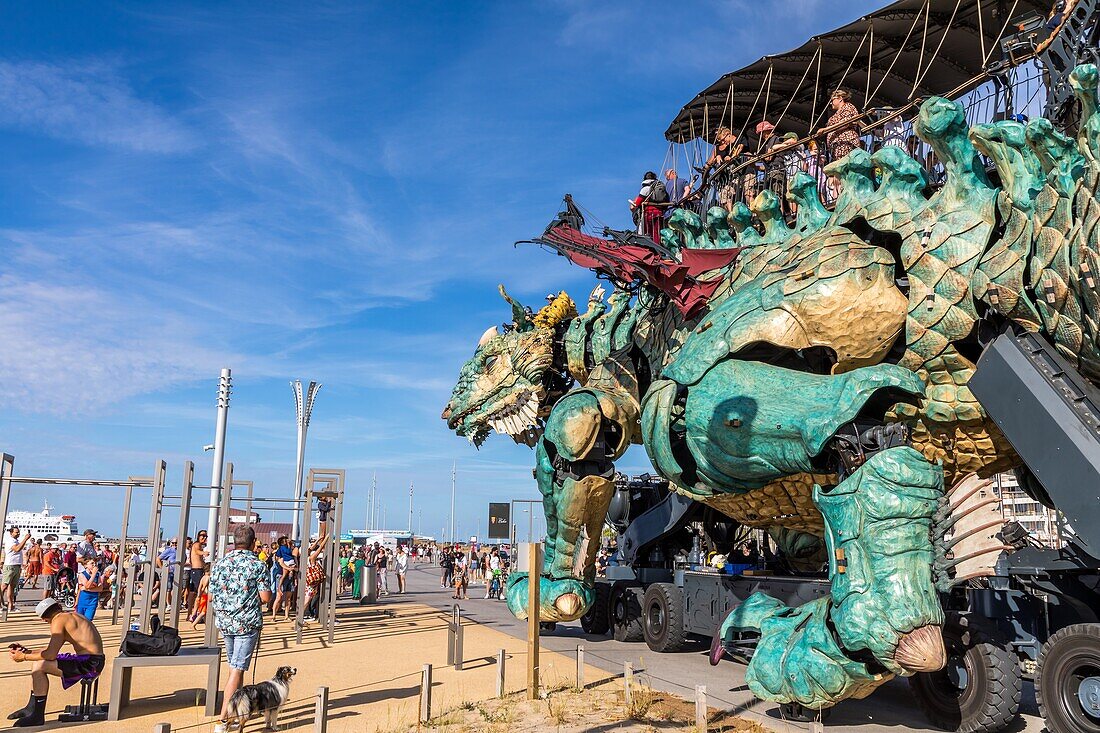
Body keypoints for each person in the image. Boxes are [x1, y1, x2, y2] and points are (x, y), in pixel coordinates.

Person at [210, 524, 272, 733]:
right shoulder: (258, 565)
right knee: (237, 669)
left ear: (234, 542)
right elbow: (265, 597)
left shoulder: (220, 563)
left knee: (234, 668)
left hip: (225, 622)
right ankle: (223, 719)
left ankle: (239, 711)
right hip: (247, 622)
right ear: (253, 543)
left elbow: (212, 595)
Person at [7, 598, 106, 727]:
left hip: (90, 664)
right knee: (39, 662)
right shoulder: (72, 616)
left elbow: (50, 654)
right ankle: (31, 708)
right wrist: (28, 651)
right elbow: (50, 650)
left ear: (44, 619)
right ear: (58, 606)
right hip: (93, 660)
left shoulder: (58, 621)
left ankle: (37, 715)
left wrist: (24, 657)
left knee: (39, 666)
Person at [824, 89, 862, 162]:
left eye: (832, 100)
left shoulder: (848, 107)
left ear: (840, 98)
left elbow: (845, 123)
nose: (831, 103)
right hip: (837, 148)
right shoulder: (836, 114)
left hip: (845, 144)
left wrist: (825, 130)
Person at [629, 171, 666, 244]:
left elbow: (638, 202)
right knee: (656, 232)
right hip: (659, 213)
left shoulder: (645, 188)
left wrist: (633, 204)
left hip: (648, 213)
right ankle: (658, 247)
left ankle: (650, 248)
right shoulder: (659, 187)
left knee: (647, 232)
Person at [3, 526, 30, 614]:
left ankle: (11, 605)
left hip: (17, 565)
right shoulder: (10, 541)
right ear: (11, 533)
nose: (18, 533)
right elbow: (17, 549)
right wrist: (25, 539)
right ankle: (1, 604)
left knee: (12, 587)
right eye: (16, 532)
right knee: (4, 586)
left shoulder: (16, 541)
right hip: (10, 565)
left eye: (18, 532)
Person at [186, 530, 208, 616]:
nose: (204, 537)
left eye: (206, 536)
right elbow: (197, 551)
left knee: (193, 593)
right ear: (198, 536)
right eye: (202, 535)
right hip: (197, 570)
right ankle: (196, 613)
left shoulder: (197, 545)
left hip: (196, 570)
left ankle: (190, 614)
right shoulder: (197, 544)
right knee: (200, 592)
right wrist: (204, 553)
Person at [75, 557, 104, 621]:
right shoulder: (82, 574)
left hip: (93, 600)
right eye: (92, 563)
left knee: (88, 620)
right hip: (83, 600)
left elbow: (100, 588)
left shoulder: (98, 574)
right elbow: (87, 585)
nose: (94, 565)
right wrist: (93, 574)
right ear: (86, 565)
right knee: (80, 620)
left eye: (95, 563)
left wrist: (87, 589)